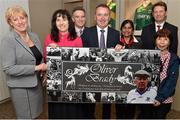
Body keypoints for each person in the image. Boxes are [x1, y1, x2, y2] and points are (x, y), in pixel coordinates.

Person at [0, 6, 47, 119]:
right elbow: (9, 68)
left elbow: (38, 57)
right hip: (21, 88)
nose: (20, 22)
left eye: (22, 18)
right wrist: (36, 68)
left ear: (26, 18)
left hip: (37, 84)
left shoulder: (34, 36)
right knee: (25, 116)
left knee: (37, 114)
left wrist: (42, 72)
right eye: (15, 19)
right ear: (10, 23)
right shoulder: (8, 40)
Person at [81, 4, 121, 119]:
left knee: (107, 104)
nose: (102, 18)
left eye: (105, 15)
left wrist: (119, 50)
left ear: (109, 17)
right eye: (99, 15)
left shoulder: (115, 33)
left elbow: (117, 56)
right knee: (90, 103)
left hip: (108, 75)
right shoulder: (87, 33)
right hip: (91, 74)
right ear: (95, 17)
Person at [43, 9, 83, 119]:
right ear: (54, 23)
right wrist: (53, 51)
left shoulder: (77, 39)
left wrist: (59, 50)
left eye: (64, 19)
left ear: (69, 21)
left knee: (72, 111)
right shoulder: (49, 38)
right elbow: (46, 59)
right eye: (58, 20)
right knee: (57, 111)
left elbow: (79, 62)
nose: (61, 23)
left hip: (71, 81)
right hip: (56, 81)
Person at [153, 29, 180, 119]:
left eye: (165, 39)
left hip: (165, 98)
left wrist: (160, 98)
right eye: (159, 39)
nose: (162, 42)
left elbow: (171, 81)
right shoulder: (148, 55)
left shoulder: (174, 58)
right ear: (155, 40)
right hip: (149, 97)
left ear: (169, 42)